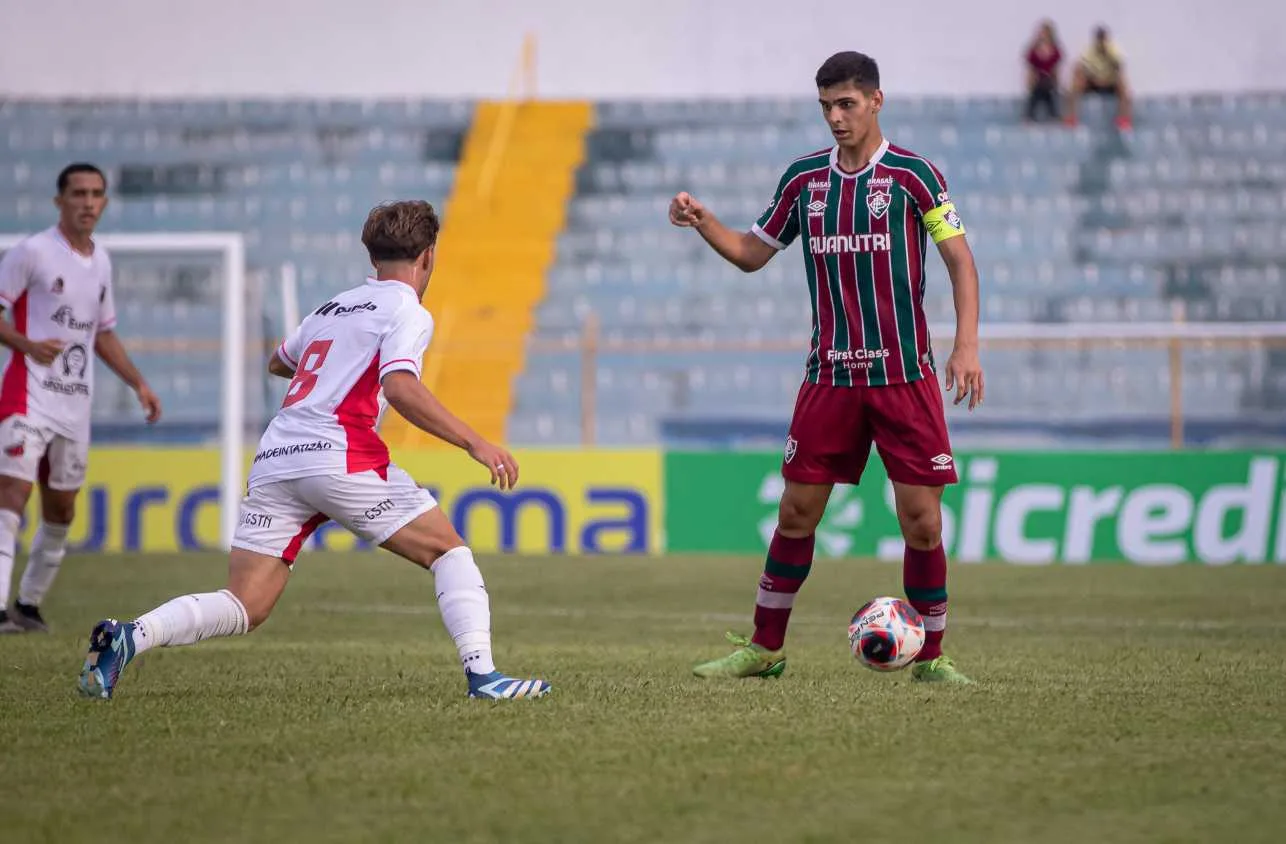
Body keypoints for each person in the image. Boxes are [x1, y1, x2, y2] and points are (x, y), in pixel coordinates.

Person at [77, 200, 552, 701]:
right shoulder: (407, 310)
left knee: (245, 603)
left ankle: (129, 635)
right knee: (448, 550)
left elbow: (280, 360)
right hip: (338, 453)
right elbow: (399, 387)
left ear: (372, 257)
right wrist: (475, 441)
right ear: (429, 257)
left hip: (278, 457)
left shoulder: (331, 306)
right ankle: (484, 677)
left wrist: (333, 363)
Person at [669, 51, 984, 684]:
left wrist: (966, 345)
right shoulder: (804, 181)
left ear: (875, 102)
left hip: (904, 377)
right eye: (825, 107)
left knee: (921, 521)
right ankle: (765, 649)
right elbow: (752, 255)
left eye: (846, 105)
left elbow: (960, 262)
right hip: (830, 378)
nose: (835, 119)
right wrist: (706, 223)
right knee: (796, 513)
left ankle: (932, 658)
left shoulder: (914, 176)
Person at [0, 163, 162, 634]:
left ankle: (27, 607)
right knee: (12, 493)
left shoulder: (102, 262)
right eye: (78, 193)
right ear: (59, 200)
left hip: (74, 405)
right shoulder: (32, 252)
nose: (88, 202)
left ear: (105, 202)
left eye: (96, 194)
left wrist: (139, 383)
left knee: (62, 509)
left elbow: (102, 334)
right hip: (27, 395)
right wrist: (28, 345)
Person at [1065, 25, 1133, 130]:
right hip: (1094, 81)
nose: (1101, 42)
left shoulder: (1113, 50)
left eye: (1103, 39)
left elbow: (1119, 67)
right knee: (1075, 84)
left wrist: (1108, 57)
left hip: (1109, 81)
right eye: (1099, 39)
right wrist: (1087, 78)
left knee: (1124, 88)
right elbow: (1079, 67)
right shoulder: (1089, 51)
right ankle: (1071, 118)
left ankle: (1123, 119)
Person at [1024, 20, 1063, 123]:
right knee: (1037, 90)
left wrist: (1057, 82)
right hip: (1037, 78)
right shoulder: (1033, 49)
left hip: (1049, 79)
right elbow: (1030, 68)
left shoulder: (1055, 50)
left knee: (1048, 89)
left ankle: (1052, 115)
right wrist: (1029, 81)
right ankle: (1030, 116)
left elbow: (1056, 69)